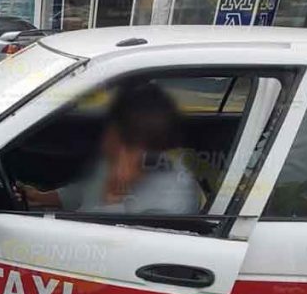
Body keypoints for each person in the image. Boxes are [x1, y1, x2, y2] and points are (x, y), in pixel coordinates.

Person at [19, 84, 203, 215]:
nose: (104, 139)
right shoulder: (117, 161)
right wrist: (42, 197)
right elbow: (85, 192)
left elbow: (95, 245)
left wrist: (112, 198)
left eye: (111, 131)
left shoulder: (170, 204)